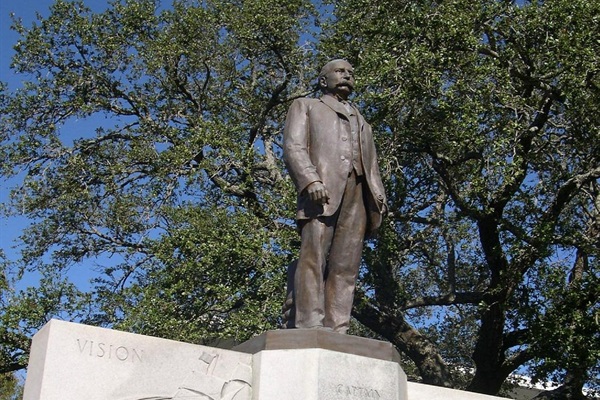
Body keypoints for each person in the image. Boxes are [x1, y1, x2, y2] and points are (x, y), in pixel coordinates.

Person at [282, 59, 387, 334]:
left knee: (346, 264)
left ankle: (338, 327)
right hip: (322, 191)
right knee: (313, 256)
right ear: (323, 80)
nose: (347, 76)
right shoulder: (306, 106)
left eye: (351, 73)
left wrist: (378, 197)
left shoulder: (363, 122)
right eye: (340, 72)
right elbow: (293, 147)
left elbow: (372, 164)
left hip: (358, 195)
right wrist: (310, 180)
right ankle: (310, 323)